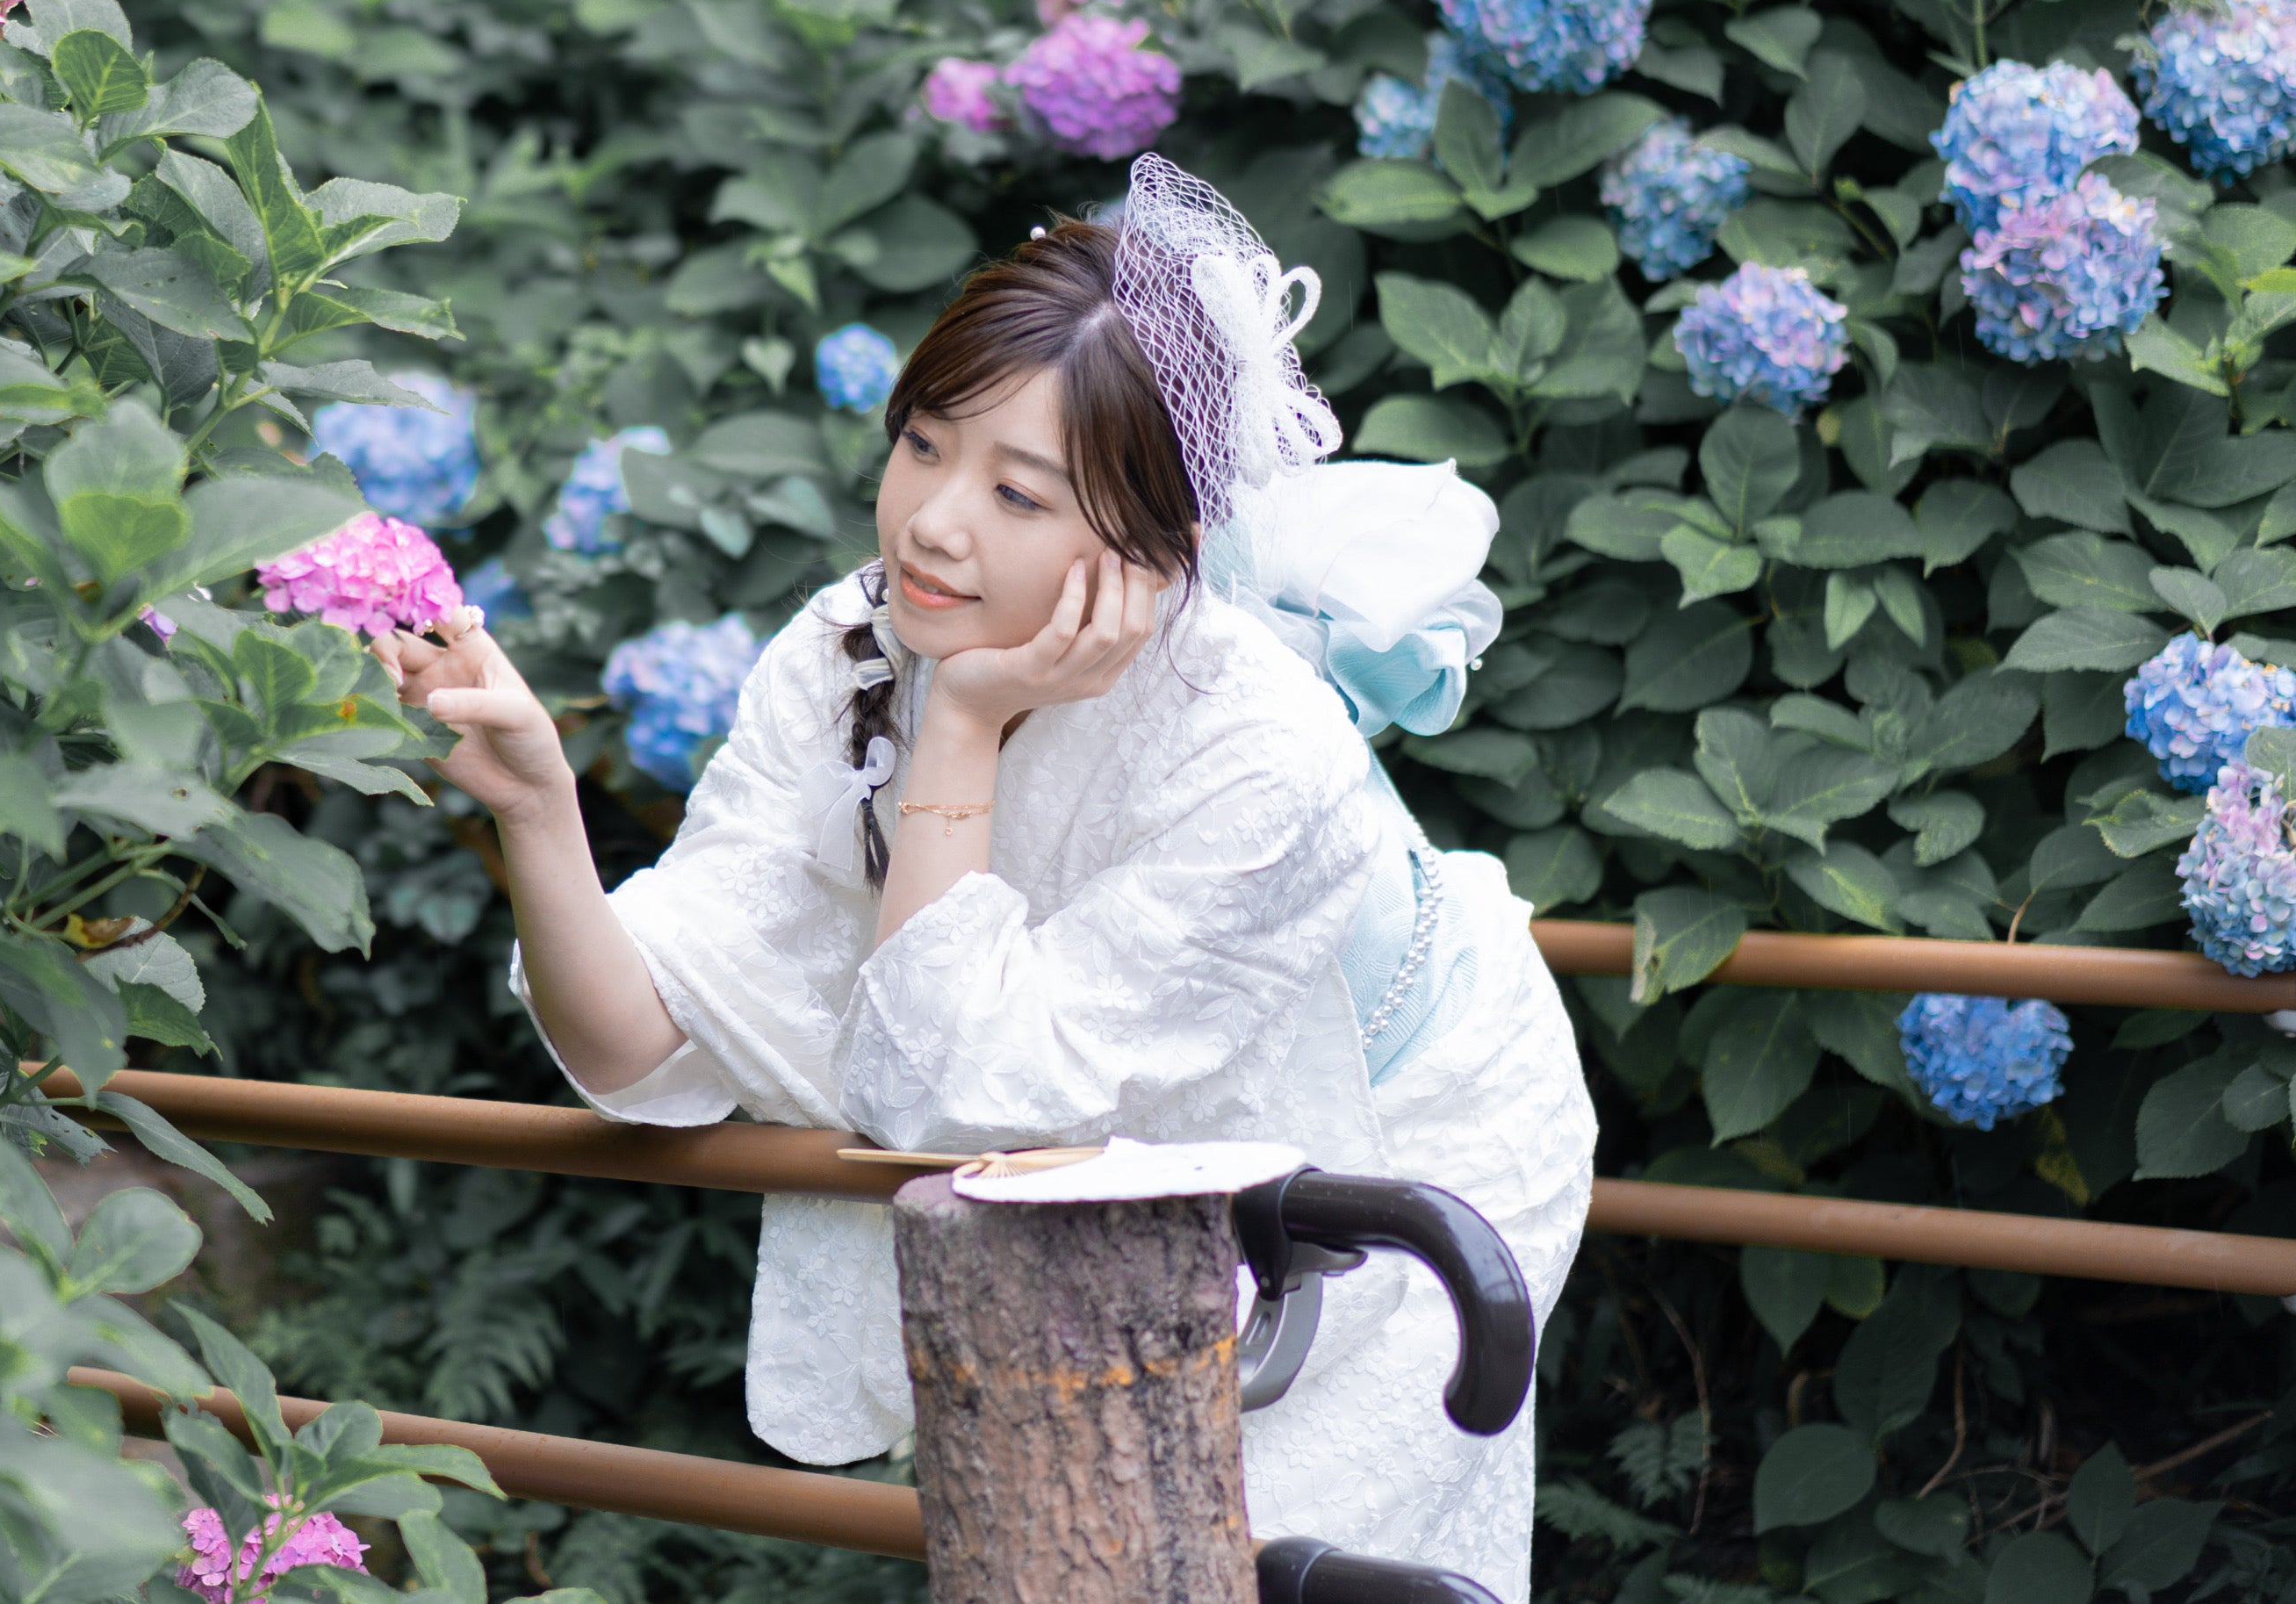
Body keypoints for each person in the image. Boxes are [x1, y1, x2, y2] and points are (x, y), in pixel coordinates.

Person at [378, 157, 1595, 1599]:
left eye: (1017, 491)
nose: (933, 523)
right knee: (1077, 1545)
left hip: (1407, 1131)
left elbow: (948, 1095)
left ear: (1161, 546)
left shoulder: (1266, 747)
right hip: (1107, 1134)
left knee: (1251, 1564)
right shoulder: (853, 640)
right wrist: (538, 807)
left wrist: (958, 719)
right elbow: (641, 1035)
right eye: (924, 444)